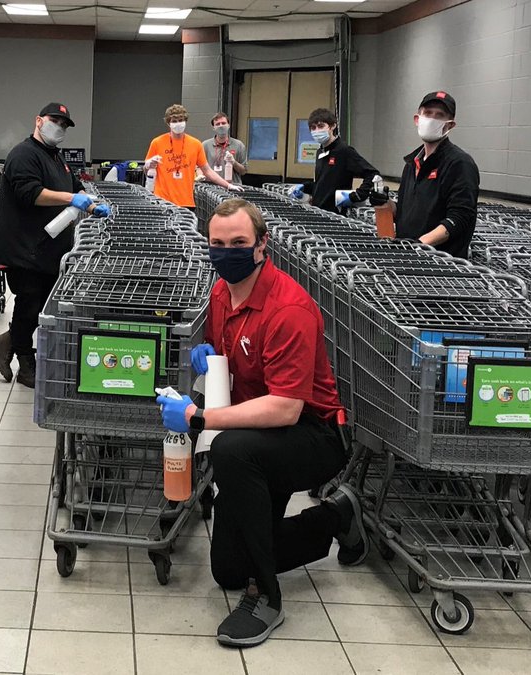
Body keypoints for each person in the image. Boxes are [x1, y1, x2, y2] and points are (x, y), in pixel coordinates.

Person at [155, 198, 367, 648]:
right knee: (227, 569)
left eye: (238, 242)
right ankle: (336, 516)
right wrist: (210, 356)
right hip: (259, 434)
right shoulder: (221, 293)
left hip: (312, 435)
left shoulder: (288, 308)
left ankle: (265, 597)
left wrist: (199, 418)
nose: (226, 252)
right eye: (217, 243)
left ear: (261, 245)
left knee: (230, 449)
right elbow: (235, 355)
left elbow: (286, 408)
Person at [0, 103, 110, 387]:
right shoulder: (23, 154)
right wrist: (71, 199)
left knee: (42, 304)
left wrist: (91, 204)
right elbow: (30, 193)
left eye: (64, 124)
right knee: (29, 303)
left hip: (48, 248)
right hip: (24, 247)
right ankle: (25, 364)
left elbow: (73, 185)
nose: (60, 127)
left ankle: (6, 341)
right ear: (39, 120)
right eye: (55, 121)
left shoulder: (56, 157)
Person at [371, 91, 479, 258]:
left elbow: (460, 218)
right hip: (407, 257)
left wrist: (420, 244)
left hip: (440, 264)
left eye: (440, 115)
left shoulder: (459, 164)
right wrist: (386, 203)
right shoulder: (411, 163)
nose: (432, 119)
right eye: (428, 113)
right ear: (417, 119)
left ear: (450, 125)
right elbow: (405, 214)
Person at [145, 104, 242, 210]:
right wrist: (148, 165)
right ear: (169, 123)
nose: (178, 124)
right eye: (174, 121)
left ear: (185, 121)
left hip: (186, 201)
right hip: (161, 200)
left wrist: (228, 185)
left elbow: (207, 170)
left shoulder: (195, 144)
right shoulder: (157, 143)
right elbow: (146, 170)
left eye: (180, 120)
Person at [290, 108, 379, 213]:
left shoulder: (344, 151)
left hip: (336, 215)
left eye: (321, 126)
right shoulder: (320, 152)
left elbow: (372, 174)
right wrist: (305, 187)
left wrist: (357, 195)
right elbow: (324, 184)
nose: (317, 131)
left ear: (332, 126)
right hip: (318, 212)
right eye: (313, 128)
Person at [201, 112, 248, 186]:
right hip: (211, 188)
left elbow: (244, 171)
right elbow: (199, 167)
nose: (221, 126)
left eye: (223, 123)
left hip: (233, 186)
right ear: (213, 127)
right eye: (217, 124)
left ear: (228, 125)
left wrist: (234, 162)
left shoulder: (239, 145)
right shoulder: (205, 145)